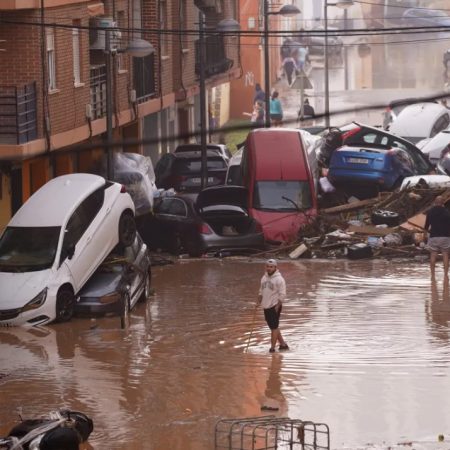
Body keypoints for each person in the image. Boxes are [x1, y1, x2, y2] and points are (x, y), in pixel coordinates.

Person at [257, 259, 289, 353]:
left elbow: (282, 294)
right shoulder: (264, 277)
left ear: (275, 267)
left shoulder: (279, 279)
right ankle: (283, 345)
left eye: (271, 267)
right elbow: (261, 290)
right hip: (266, 305)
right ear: (265, 267)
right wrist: (258, 300)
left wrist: (278, 306)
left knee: (274, 327)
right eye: (267, 266)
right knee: (273, 326)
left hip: (274, 305)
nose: (269, 268)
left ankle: (272, 348)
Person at [425, 195, 450, 280]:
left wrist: (425, 234)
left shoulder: (430, 212)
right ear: (443, 203)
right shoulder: (447, 212)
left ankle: (432, 275)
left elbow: (426, 225)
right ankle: (446, 275)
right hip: (445, 236)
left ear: (435, 202)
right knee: (445, 255)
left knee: (433, 255)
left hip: (434, 236)